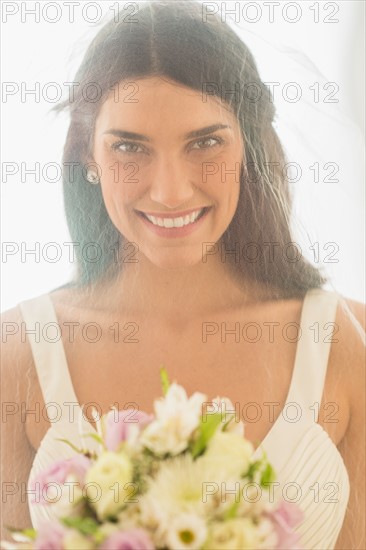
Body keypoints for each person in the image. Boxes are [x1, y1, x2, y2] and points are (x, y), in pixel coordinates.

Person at [1, 1, 365, 548]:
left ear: (248, 146)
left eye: (205, 142)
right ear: (89, 157)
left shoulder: (344, 340)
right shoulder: (17, 354)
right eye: (129, 147)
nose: (170, 190)